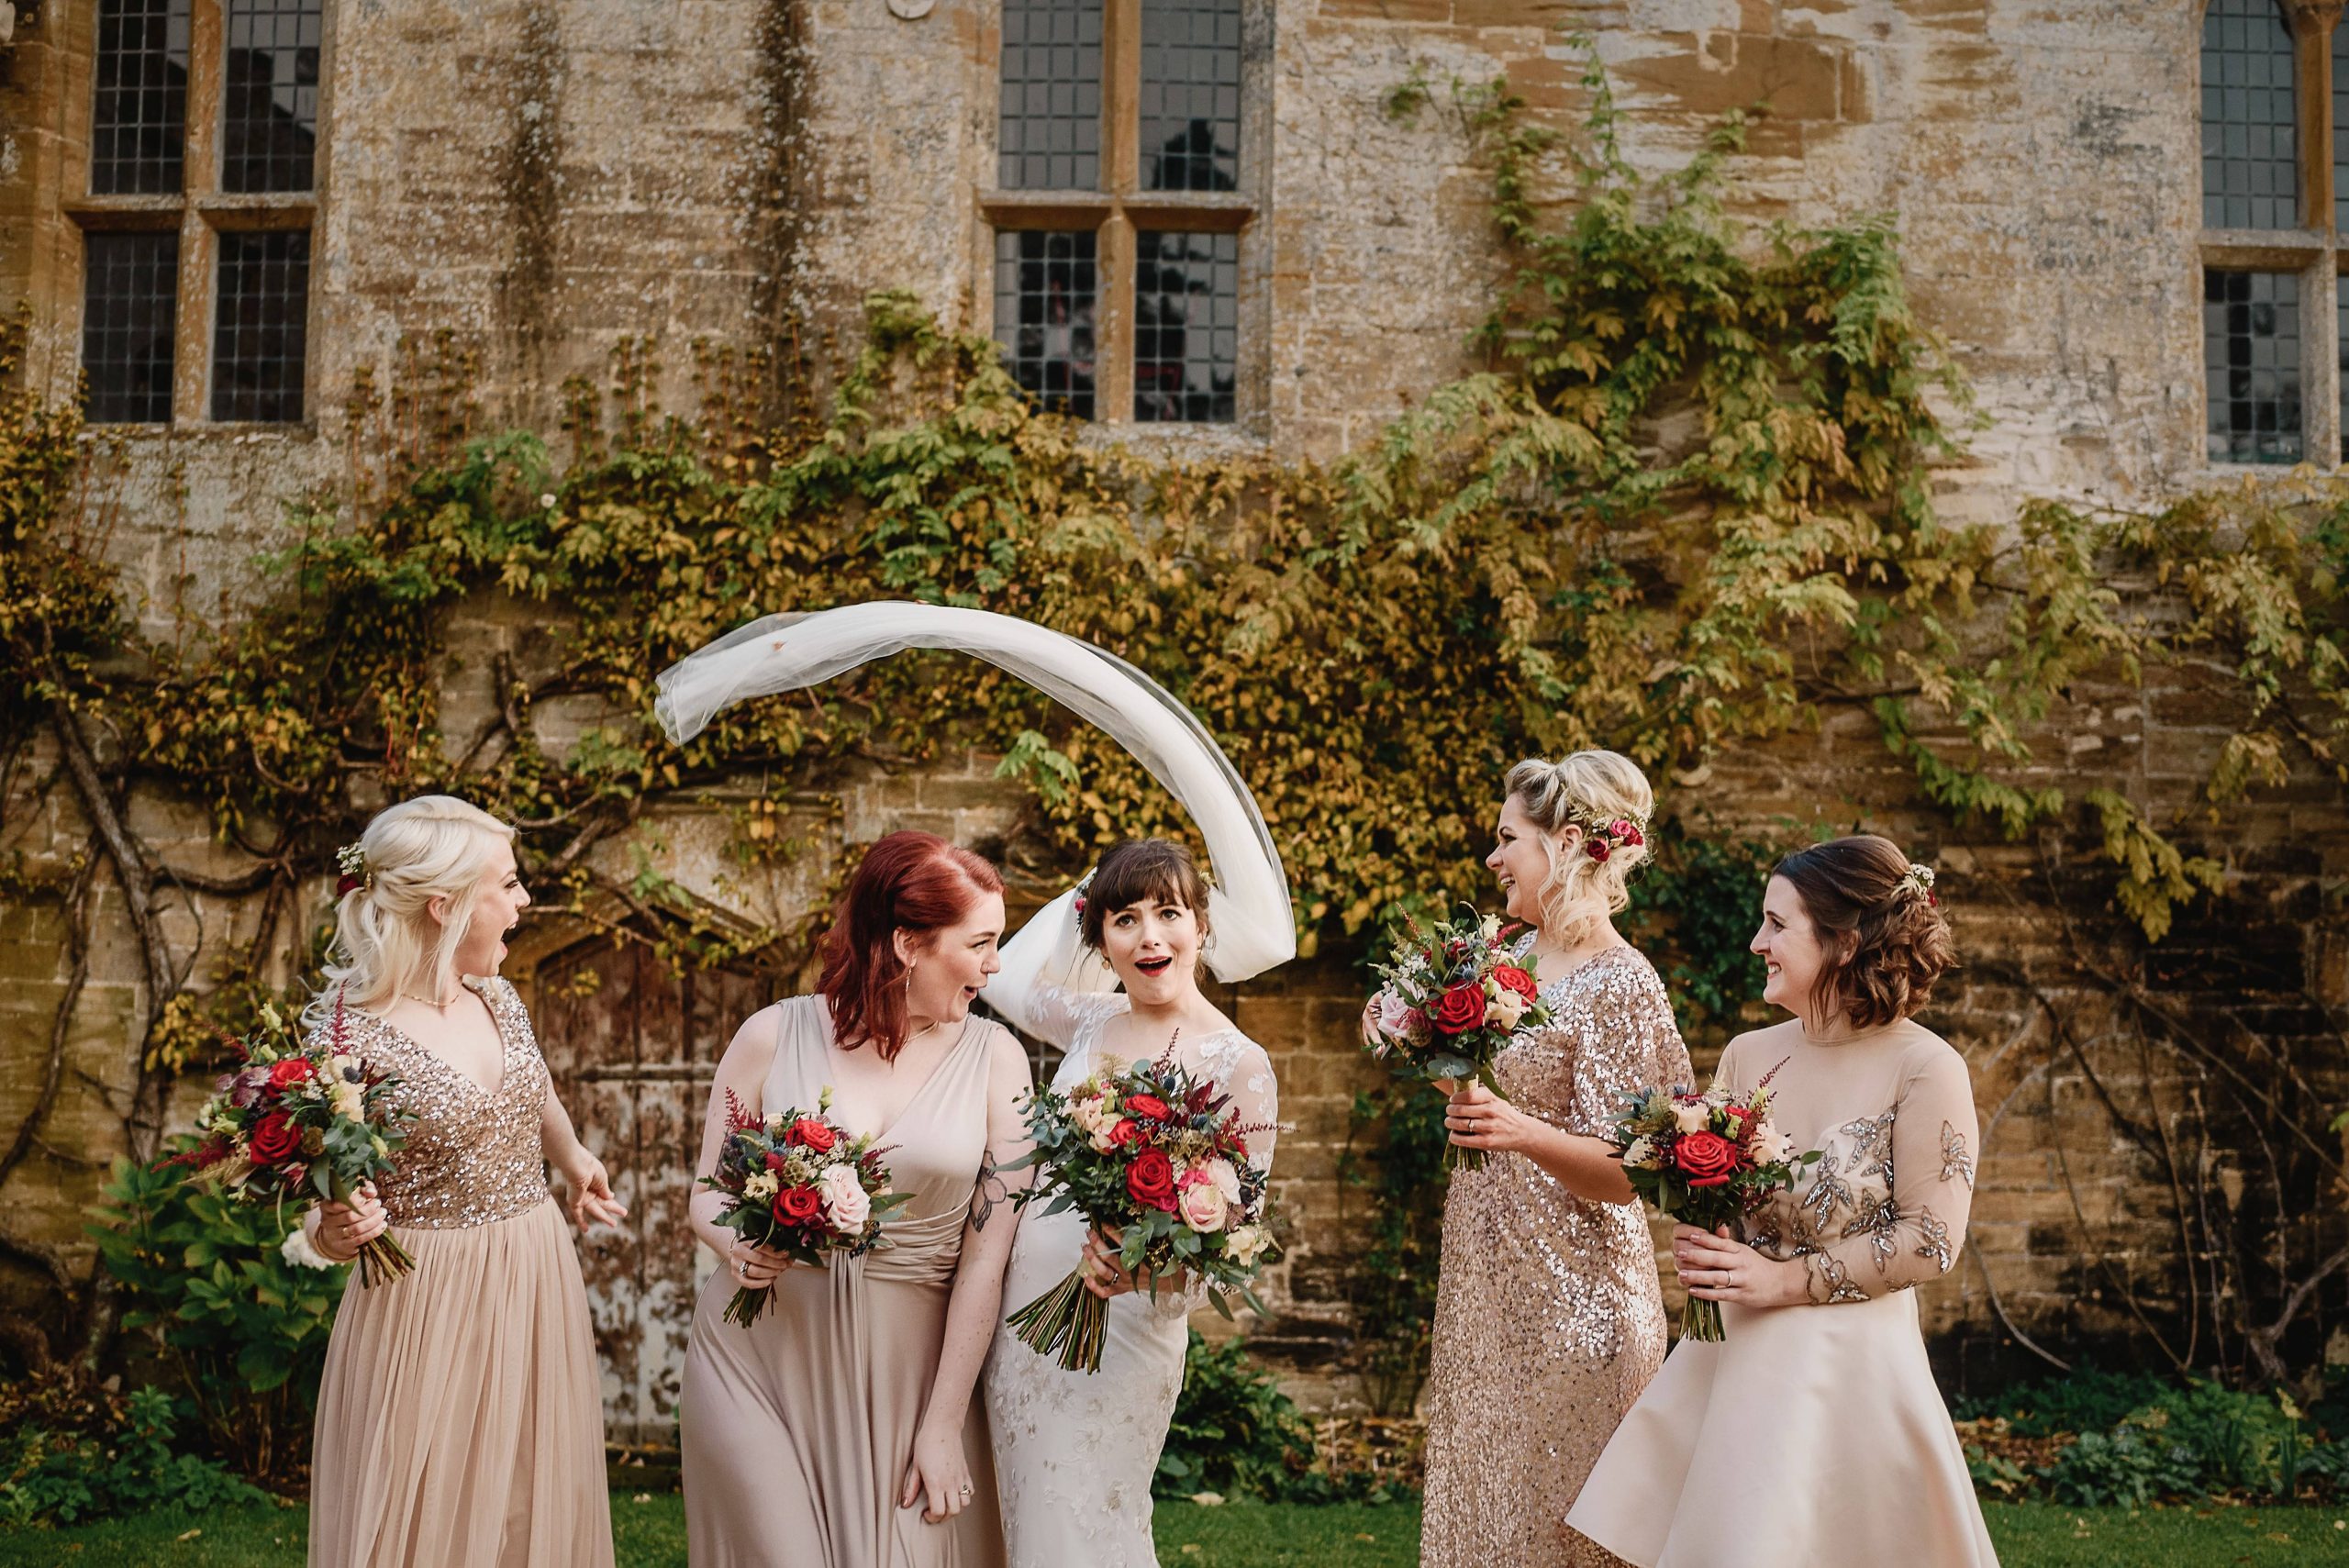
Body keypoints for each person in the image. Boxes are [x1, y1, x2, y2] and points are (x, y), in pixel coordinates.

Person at [1565, 835, 1998, 1568]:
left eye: (1777, 923)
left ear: (1845, 939)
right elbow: (1722, 1197)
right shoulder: (1749, 1054)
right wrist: (1709, 1239)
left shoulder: (1927, 1066)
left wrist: (1782, 1280)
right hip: (1736, 1368)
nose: (1756, 940)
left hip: (1853, 1376)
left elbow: (1930, 1238)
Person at [679, 830, 1031, 1568]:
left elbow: (984, 1263)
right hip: (759, 1358)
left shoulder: (998, 1059)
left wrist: (941, 1425)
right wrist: (739, 1246)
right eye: (981, 942)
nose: (997, 965)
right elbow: (707, 1195)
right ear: (908, 943)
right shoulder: (772, 1033)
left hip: (911, 1376)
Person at [306, 795, 627, 1568]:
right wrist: (336, 1233)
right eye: (508, 884)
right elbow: (326, 1203)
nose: (523, 901)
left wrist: (574, 1155)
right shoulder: (344, 1035)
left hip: (533, 1270)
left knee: (526, 1498)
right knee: (425, 1509)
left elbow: (535, 1088)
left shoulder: (498, 997)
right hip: (424, 1304)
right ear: (445, 904)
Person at [1419, 752, 1692, 1568]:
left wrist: (1518, 1129)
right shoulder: (1501, 960)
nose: (1493, 857)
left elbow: (1637, 1169)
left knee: (1563, 1531)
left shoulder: (1620, 980)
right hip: (1486, 1289)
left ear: (1566, 842)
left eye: (1508, 838)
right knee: (1487, 1514)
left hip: (1579, 1304)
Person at [981, 838, 1280, 1567]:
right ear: (1100, 938)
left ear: (1202, 926)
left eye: (1169, 912)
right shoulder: (1088, 1020)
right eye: (1124, 917)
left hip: (1126, 1331)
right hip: (1025, 1318)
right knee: (1019, 1519)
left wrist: (1136, 1270)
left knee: (1085, 1522)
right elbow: (1002, 976)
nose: (1150, 935)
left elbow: (1230, 1249)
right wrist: (1085, 889)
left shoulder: (1242, 1065)